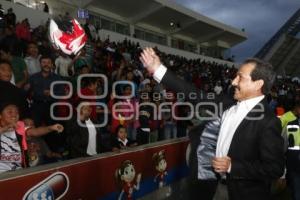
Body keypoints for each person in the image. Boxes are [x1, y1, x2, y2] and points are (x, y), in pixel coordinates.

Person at [140, 47, 285, 200]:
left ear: (258, 84)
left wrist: (232, 167)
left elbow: (274, 168)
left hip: (243, 193)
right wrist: (157, 69)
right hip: (211, 187)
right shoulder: (228, 102)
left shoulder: (268, 121)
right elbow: (193, 93)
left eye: (240, 77)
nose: (233, 81)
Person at [0, 103, 63, 173]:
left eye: (17, 112)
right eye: (10, 112)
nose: (14, 114)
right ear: (0, 115)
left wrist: (51, 128)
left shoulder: (20, 126)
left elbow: (35, 132)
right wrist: (6, 128)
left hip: (18, 171)